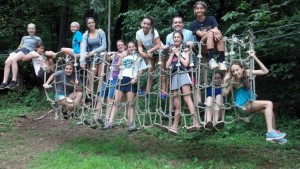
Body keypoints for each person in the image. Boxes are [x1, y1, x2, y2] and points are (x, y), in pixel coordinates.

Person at [222, 51, 287, 144]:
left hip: (250, 103)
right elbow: (224, 93)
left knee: (270, 112)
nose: (235, 72)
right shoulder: (233, 79)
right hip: (243, 106)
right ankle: (270, 132)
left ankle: (274, 137)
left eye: (237, 70)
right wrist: (225, 79)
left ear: (243, 69)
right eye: (233, 71)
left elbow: (265, 71)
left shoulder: (247, 73)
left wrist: (254, 57)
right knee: (269, 103)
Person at [103, 41, 147, 132]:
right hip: (122, 78)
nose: (131, 48)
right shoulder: (125, 56)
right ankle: (110, 122)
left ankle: (131, 124)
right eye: (129, 47)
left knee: (130, 103)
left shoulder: (139, 57)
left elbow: (141, 70)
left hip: (131, 79)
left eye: (133, 47)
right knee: (116, 101)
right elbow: (117, 67)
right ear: (128, 48)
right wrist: (121, 57)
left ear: (135, 47)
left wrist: (136, 79)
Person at [165, 31, 201, 134]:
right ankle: (175, 126)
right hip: (174, 76)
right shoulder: (172, 50)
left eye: (178, 37)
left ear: (182, 38)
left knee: (187, 97)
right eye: (174, 37)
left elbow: (185, 63)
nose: (176, 39)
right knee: (176, 103)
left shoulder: (186, 49)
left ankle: (195, 122)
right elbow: (167, 66)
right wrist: (172, 54)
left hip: (183, 73)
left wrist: (178, 53)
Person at [165, 15, 205, 107]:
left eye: (179, 22)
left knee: (194, 82)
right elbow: (168, 50)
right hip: (174, 65)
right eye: (175, 22)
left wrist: (192, 45)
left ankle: (199, 104)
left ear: (183, 24)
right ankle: (172, 108)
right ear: (172, 25)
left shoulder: (189, 33)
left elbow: (196, 47)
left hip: (189, 63)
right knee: (173, 86)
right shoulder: (168, 37)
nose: (177, 24)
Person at [90, 40, 126, 128]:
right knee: (100, 96)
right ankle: (95, 119)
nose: (120, 46)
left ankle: (107, 120)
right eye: (118, 45)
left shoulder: (126, 53)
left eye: (121, 45)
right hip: (110, 77)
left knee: (110, 98)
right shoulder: (116, 53)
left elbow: (118, 66)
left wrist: (117, 56)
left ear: (125, 46)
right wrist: (106, 54)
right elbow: (108, 59)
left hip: (117, 78)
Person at [0, 23, 42, 89]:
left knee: (13, 60)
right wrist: (14, 52)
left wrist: (37, 55)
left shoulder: (38, 39)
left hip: (27, 50)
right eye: (30, 28)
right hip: (20, 50)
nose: (31, 30)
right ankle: (4, 82)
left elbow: (40, 48)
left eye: (33, 29)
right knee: (7, 62)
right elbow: (20, 46)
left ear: (35, 30)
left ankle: (14, 81)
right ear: (27, 30)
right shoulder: (24, 37)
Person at [136, 16, 167, 99]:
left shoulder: (154, 31)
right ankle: (147, 92)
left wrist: (149, 51)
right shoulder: (138, 33)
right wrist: (142, 53)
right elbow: (139, 46)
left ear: (151, 25)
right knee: (150, 72)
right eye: (144, 23)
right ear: (141, 23)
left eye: (148, 24)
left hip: (159, 51)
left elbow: (158, 45)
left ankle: (163, 92)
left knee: (162, 71)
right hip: (150, 53)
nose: (146, 25)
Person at [190, 1, 227, 71]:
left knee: (218, 32)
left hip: (214, 42)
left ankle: (222, 61)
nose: (199, 10)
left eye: (201, 8)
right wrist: (212, 30)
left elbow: (216, 30)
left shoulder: (211, 18)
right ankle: (211, 60)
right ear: (194, 10)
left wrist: (214, 31)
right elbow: (201, 34)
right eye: (197, 8)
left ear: (204, 10)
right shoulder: (193, 24)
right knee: (211, 33)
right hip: (202, 44)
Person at [80, 17, 107, 94]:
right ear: (87, 25)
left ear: (95, 23)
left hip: (101, 56)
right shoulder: (86, 34)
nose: (91, 24)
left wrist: (94, 51)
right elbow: (83, 48)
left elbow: (104, 46)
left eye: (92, 22)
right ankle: (89, 98)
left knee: (100, 77)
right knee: (90, 78)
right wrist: (82, 61)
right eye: (89, 23)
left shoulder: (100, 32)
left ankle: (99, 99)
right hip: (92, 58)